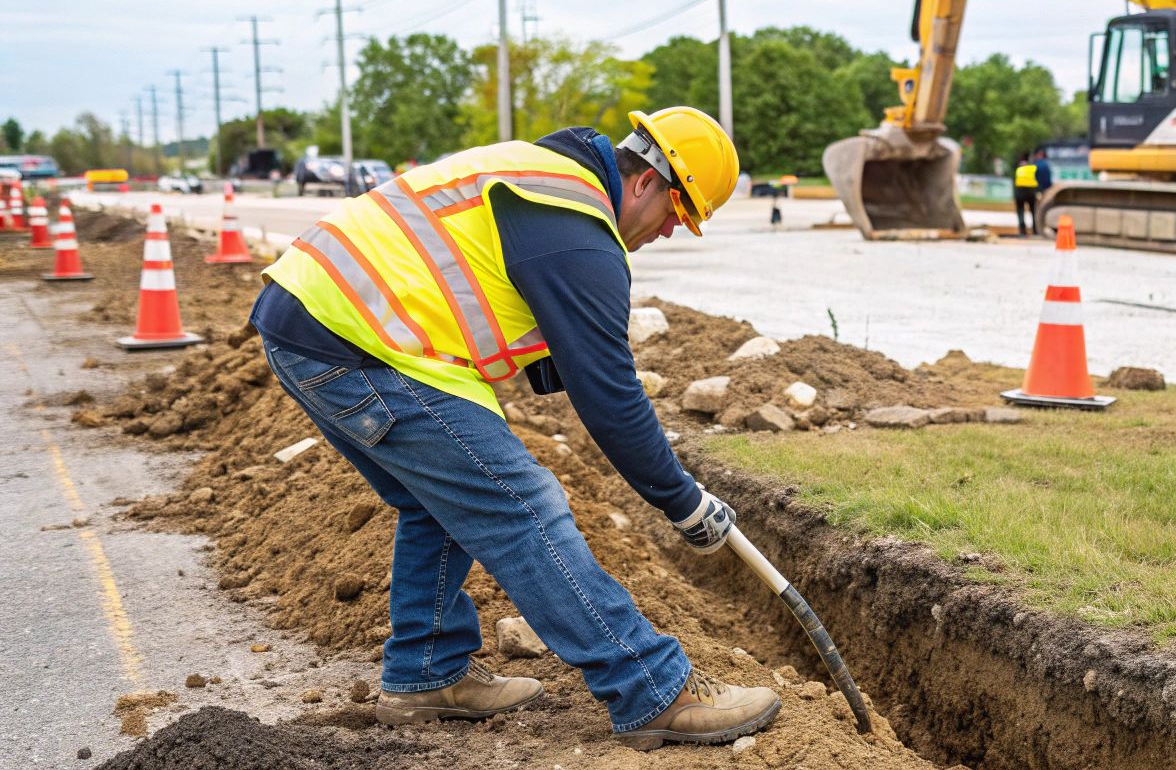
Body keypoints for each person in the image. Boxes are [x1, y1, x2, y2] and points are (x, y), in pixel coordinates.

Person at [249, 107, 780, 751]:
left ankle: (426, 676)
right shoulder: (576, 228)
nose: (670, 231)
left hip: (315, 323)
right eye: (677, 212)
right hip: (360, 342)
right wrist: (682, 501)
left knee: (437, 505)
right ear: (645, 182)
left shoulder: (549, 184)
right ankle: (652, 691)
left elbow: (541, 333)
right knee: (523, 504)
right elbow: (610, 396)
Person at [1012, 152, 1038, 237]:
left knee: (1020, 212)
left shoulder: (1018, 169)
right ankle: (1035, 230)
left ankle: (1022, 231)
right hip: (1031, 193)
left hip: (1020, 193)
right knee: (1033, 212)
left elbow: (1014, 182)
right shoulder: (1033, 169)